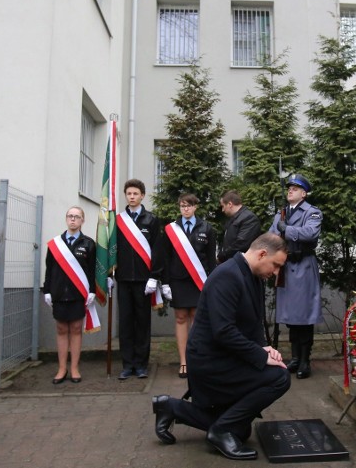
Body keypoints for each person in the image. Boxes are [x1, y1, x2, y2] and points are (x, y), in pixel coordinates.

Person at [151, 233, 290, 460]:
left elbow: (254, 322)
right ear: (262, 253)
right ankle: (221, 430)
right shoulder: (227, 275)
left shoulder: (252, 275)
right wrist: (258, 355)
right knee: (280, 377)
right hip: (209, 363)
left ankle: (173, 408)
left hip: (225, 357)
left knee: (242, 430)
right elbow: (223, 331)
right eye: (276, 265)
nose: (275, 273)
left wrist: (264, 348)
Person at [268, 173, 322, 379]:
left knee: (304, 317)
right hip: (286, 267)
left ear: (304, 193)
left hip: (303, 266)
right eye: (289, 187)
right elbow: (272, 236)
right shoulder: (280, 214)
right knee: (291, 317)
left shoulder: (313, 212)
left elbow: (310, 233)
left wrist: (287, 229)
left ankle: (305, 361)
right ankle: (295, 358)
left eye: (295, 188)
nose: (290, 190)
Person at [161, 193, 216, 378]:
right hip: (178, 280)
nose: (185, 209)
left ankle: (197, 360)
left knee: (196, 317)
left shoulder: (207, 228)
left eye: (189, 206)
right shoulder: (171, 229)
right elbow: (166, 258)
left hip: (199, 281)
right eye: (182, 206)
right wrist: (166, 282)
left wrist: (211, 282)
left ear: (195, 207)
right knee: (180, 317)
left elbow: (210, 259)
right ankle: (184, 361)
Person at [113, 179, 163, 380]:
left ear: (142, 195)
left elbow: (157, 250)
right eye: (129, 193)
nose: (132, 197)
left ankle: (141, 365)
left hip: (144, 281)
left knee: (142, 323)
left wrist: (154, 276)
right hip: (124, 279)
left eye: (135, 193)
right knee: (125, 323)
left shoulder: (151, 220)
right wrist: (110, 275)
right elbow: (112, 250)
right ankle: (127, 364)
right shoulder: (118, 220)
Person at [41, 206, 96, 384]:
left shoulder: (88, 244)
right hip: (58, 294)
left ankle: (74, 368)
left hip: (78, 295)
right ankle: (62, 368)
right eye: (70, 216)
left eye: (77, 217)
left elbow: (92, 271)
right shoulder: (55, 244)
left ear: (82, 221)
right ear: (66, 219)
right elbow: (49, 270)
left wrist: (92, 291)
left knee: (76, 330)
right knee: (61, 329)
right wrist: (47, 290)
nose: (73, 219)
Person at [216, 190, 261, 264]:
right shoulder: (233, 219)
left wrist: (222, 257)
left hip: (241, 265)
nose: (222, 210)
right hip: (232, 263)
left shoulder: (249, 218)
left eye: (223, 206)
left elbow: (241, 244)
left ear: (230, 204)